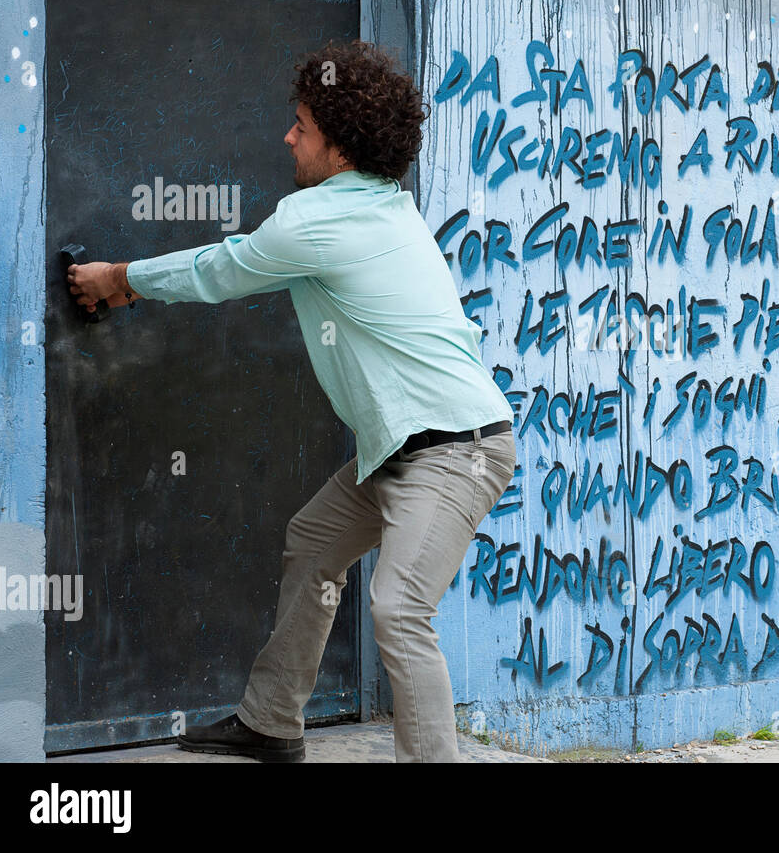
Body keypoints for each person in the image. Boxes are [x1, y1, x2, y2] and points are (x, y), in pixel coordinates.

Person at [65, 39, 516, 763]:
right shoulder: (381, 205)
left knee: (400, 609)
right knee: (313, 543)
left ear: (338, 149)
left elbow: (224, 267)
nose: (287, 136)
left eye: (301, 125)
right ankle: (272, 722)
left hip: (455, 451)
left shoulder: (317, 221)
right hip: (403, 450)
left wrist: (119, 277)